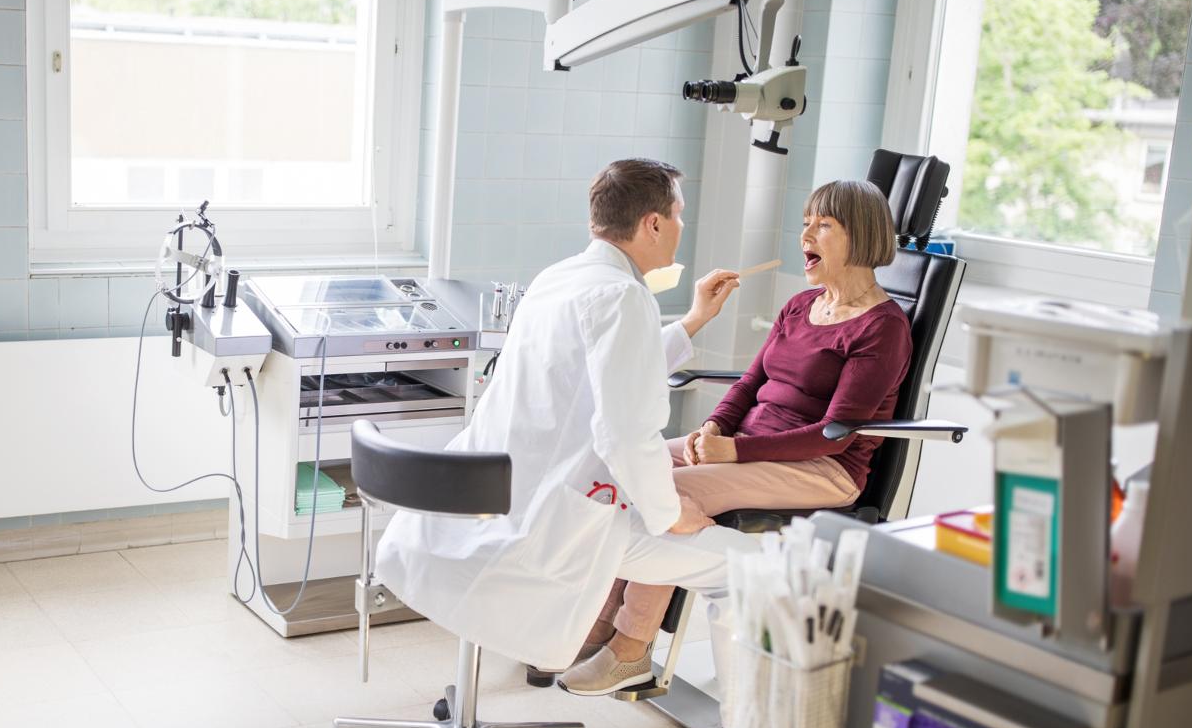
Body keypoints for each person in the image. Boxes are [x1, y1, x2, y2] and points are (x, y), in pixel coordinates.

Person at [374, 159, 753, 686]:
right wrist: (670, 513)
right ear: (653, 223)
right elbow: (624, 434)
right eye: (678, 214)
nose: (681, 226)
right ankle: (744, 722)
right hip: (554, 522)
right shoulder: (623, 296)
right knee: (744, 566)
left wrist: (691, 322)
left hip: (491, 505)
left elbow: (594, 376)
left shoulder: (560, 277)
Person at [560, 179, 912, 695]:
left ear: (860, 236)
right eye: (805, 223)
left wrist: (735, 450)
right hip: (747, 448)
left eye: (823, 226)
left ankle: (631, 648)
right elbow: (751, 383)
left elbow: (834, 435)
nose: (805, 236)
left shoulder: (883, 327)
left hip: (822, 469)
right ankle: (598, 623)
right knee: (628, 468)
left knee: (669, 493)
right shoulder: (800, 306)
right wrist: (714, 427)